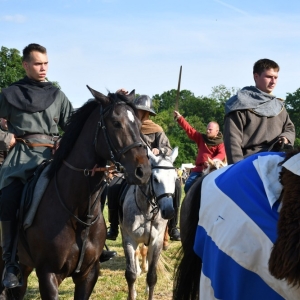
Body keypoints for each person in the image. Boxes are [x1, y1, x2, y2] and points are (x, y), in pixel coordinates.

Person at [107, 95, 182, 241]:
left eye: (143, 111)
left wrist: (159, 151)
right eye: (138, 110)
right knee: (112, 187)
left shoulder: (157, 129)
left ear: (148, 113)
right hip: (134, 170)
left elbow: (167, 148)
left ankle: (173, 227)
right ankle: (114, 226)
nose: (140, 114)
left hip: (155, 170)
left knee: (177, 186)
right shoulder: (130, 127)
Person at [224, 58, 295, 164]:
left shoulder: (279, 106)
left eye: (275, 77)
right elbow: (232, 140)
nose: (273, 81)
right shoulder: (239, 104)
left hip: (278, 159)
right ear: (256, 76)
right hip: (250, 161)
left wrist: (285, 138)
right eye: (269, 77)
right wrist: (238, 167)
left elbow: (289, 128)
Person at [174, 111, 226, 193]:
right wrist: (180, 118)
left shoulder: (220, 143)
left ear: (217, 131)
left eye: (210, 129)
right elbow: (190, 130)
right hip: (198, 170)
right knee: (187, 186)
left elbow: (221, 154)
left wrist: (211, 162)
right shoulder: (201, 138)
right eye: (207, 129)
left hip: (212, 169)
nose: (207, 131)